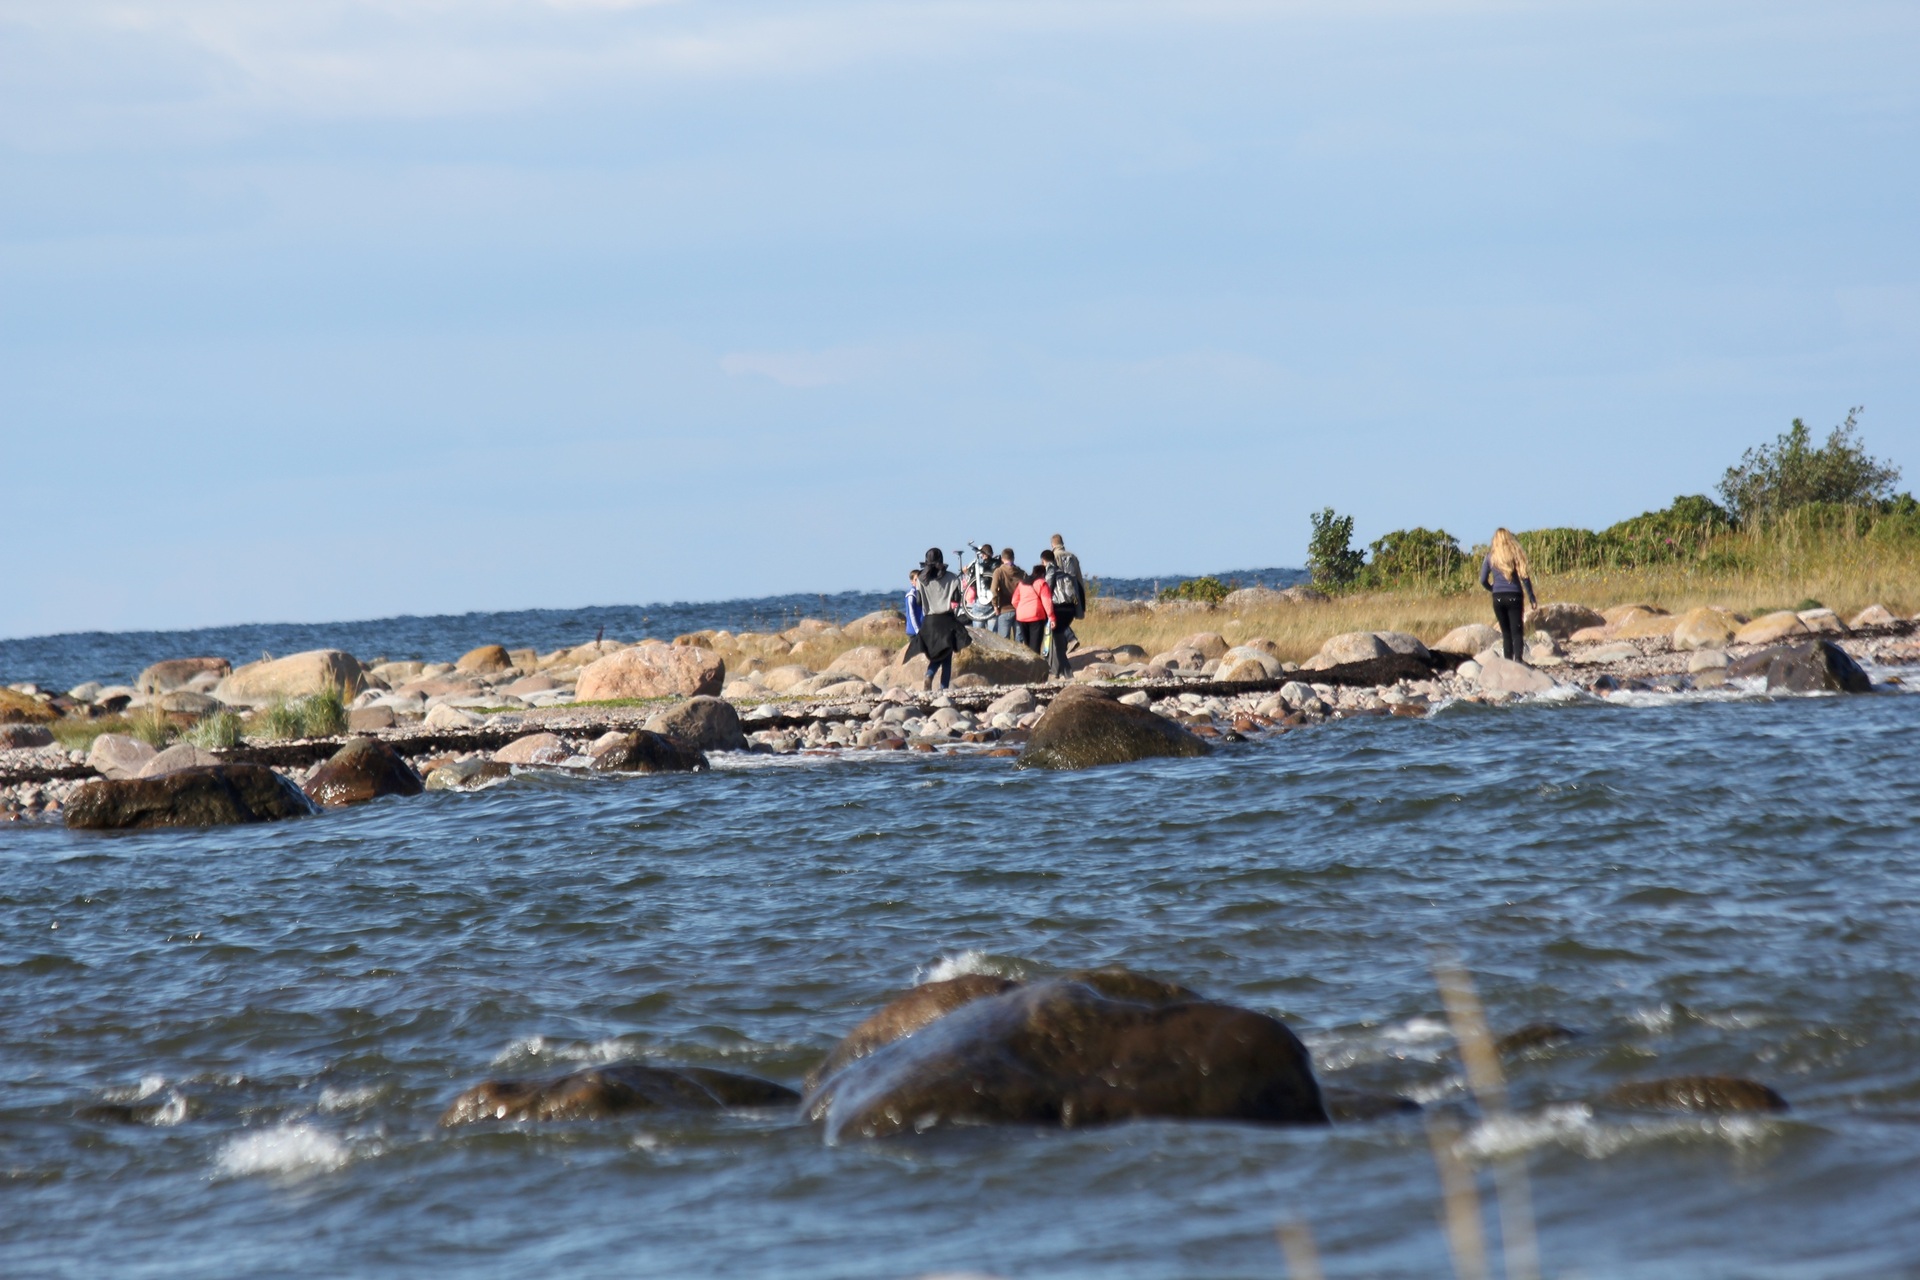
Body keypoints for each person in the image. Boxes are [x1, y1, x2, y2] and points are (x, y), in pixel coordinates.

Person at [912, 547, 970, 692]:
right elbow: (956, 599)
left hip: (929, 621)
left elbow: (918, 601)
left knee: (936, 653)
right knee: (947, 656)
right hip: (946, 619)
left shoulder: (921, 579)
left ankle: (930, 673)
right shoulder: (952, 578)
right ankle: (943, 687)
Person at [1480, 527, 1537, 662]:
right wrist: (1532, 597)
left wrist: (1492, 588)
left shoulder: (1490, 557)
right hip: (1514, 595)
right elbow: (1524, 576)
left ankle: (1507, 662)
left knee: (1506, 633)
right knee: (1517, 631)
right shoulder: (1515, 553)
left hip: (1498, 597)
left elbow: (1482, 580)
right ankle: (1518, 660)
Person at [1011, 563, 1056, 658]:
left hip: (1021, 616)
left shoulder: (1022, 583)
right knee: (1035, 647)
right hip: (1036, 616)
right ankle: (1035, 665)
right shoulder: (1042, 583)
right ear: (1043, 574)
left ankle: (1027, 664)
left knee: (1027, 646)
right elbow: (1047, 602)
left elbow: (1014, 601)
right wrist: (1051, 617)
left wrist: (1021, 609)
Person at [989, 547, 1022, 638]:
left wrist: (995, 605)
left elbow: (993, 590)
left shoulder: (999, 572)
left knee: (1004, 641)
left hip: (1004, 609)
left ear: (1002, 559)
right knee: (1019, 641)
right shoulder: (1021, 572)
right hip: (1019, 610)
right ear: (1013, 558)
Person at [903, 568, 925, 640]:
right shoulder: (911, 595)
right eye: (916, 580)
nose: (918, 582)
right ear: (912, 581)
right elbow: (911, 614)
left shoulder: (922, 592)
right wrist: (917, 630)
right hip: (914, 631)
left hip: (922, 629)